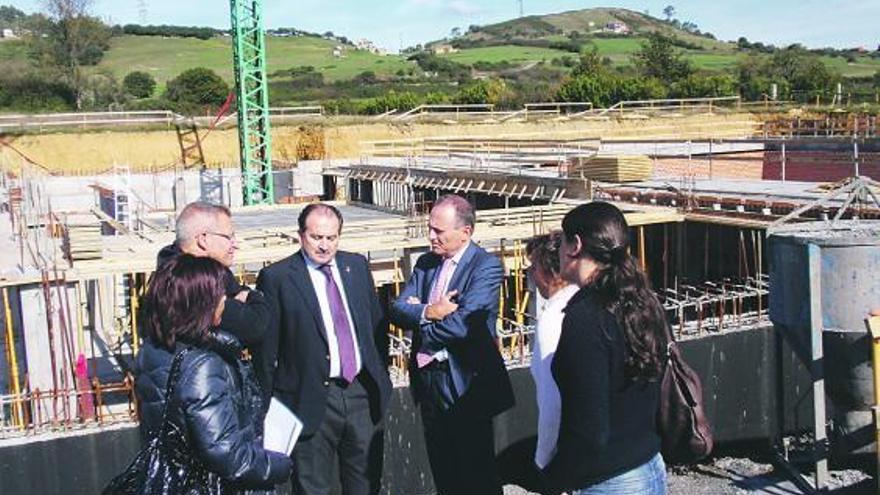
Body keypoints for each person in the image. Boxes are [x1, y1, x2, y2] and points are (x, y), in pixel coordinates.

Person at [256, 203, 392, 495]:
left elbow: (376, 329)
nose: (324, 245)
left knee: (366, 484)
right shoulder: (277, 278)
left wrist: (381, 378)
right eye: (317, 237)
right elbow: (267, 353)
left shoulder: (355, 266)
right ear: (301, 235)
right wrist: (265, 410)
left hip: (360, 393)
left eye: (331, 238)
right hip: (309, 399)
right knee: (312, 486)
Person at [389, 194, 514, 495]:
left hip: (466, 382)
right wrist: (430, 311)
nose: (431, 236)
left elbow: (463, 325)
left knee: (476, 474)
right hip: (430, 380)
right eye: (430, 228)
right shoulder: (426, 263)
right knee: (444, 471)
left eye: (439, 231)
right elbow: (396, 309)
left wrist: (422, 329)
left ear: (465, 232)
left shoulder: (485, 267)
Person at [135, 254, 292, 492]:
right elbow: (226, 454)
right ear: (201, 303)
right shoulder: (202, 365)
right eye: (219, 296)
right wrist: (280, 465)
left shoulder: (153, 348)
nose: (224, 302)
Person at [543, 201, 668, 495]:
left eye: (561, 240)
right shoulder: (643, 301)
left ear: (575, 245)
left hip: (609, 480)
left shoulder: (586, 318)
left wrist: (556, 478)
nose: (558, 250)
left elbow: (589, 430)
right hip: (648, 464)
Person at [156, 201, 269, 355]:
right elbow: (255, 326)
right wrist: (253, 296)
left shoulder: (171, 270)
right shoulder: (191, 285)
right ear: (203, 239)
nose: (235, 244)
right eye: (229, 237)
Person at [525, 232, 579, 471]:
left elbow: (552, 401)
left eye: (534, 267)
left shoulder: (554, 319)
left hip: (576, 455)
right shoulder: (592, 302)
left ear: (553, 272)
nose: (531, 275)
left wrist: (543, 459)